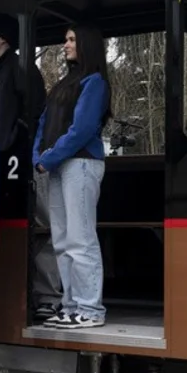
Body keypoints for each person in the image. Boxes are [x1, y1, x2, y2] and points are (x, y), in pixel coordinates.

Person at [0, 12, 58, 322]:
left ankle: (48, 297)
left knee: (42, 226)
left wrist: (26, 150)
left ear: (3, 37)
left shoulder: (22, 69)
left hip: (25, 162)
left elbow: (35, 114)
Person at [33, 23, 110, 331]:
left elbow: (82, 130)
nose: (65, 45)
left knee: (81, 238)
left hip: (81, 164)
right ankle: (71, 306)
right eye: (65, 39)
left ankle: (90, 309)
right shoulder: (64, 83)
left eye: (71, 39)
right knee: (62, 240)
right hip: (56, 166)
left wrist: (48, 158)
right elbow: (43, 123)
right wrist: (37, 156)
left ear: (86, 44)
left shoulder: (95, 82)